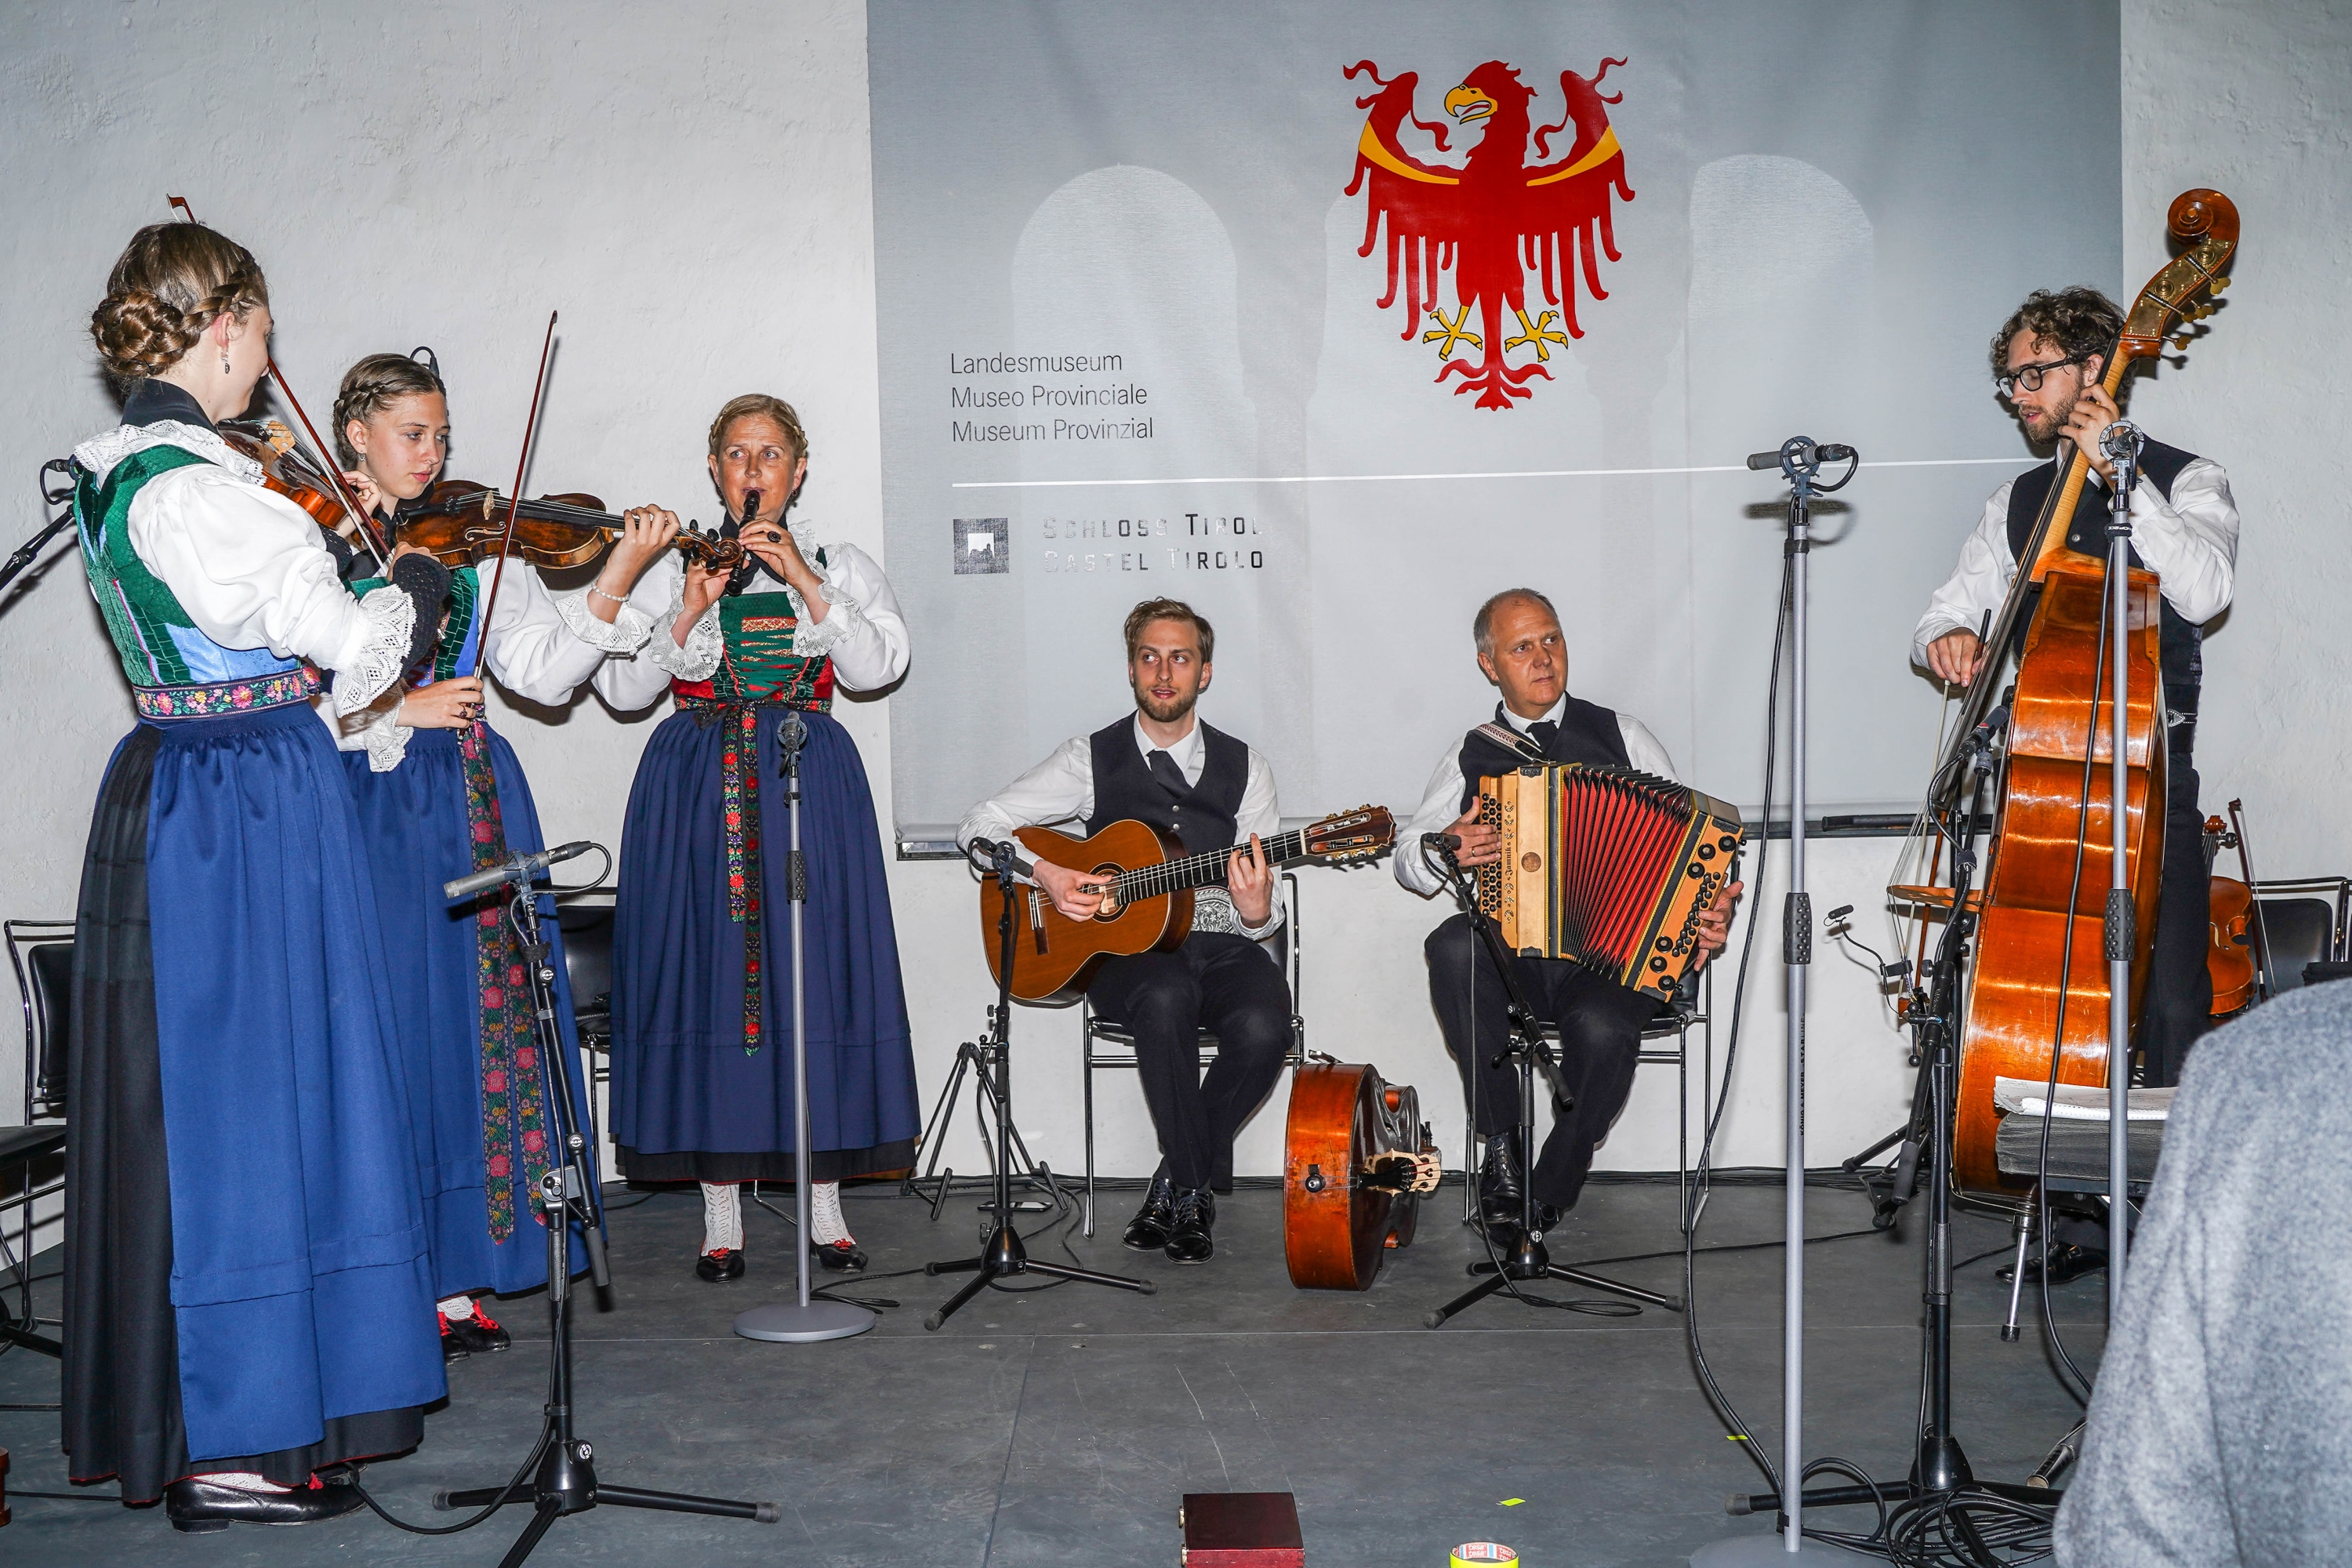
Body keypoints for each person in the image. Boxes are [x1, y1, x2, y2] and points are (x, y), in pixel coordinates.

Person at [64, 222, 454, 1530]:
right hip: (248, 807)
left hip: (185, 786)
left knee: (219, 1107)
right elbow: (350, 650)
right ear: (223, 328)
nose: (268, 365)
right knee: (255, 1114)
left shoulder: (117, 475)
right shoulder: (200, 489)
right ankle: (234, 1439)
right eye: (267, 337)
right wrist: (399, 585)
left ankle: (254, 1417)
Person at [329, 350, 677, 1356]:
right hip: (372, 803)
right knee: (394, 1030)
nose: (434, 455)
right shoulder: (316, 542)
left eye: (442, 434)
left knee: (485, 1032)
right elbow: (285, 695)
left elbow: (541, 676)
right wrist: (392, 704)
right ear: (356, 435)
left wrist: (613, 577)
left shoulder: (477, 548)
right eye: (412, 434)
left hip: (477, 796)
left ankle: (461, 1270)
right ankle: (397, 1271)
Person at [1913, 287, 2239, 1281]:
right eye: (2010, 376)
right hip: (2046, 790)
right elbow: (1938, 614)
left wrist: (2120, 472)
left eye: (2033, 372)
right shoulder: (2015, 503)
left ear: (2095, 373)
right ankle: (2077, 1217)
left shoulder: (2191, 480)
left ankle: (2176, 1221)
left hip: (2153, 784)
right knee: (2058, 1006)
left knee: (2171, 1004)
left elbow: (2206, 590)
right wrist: (1949, 638)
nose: (2017, 393)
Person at [590, 394, 916, 1279]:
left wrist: (806, 578)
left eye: (771, 453)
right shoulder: (672, 568)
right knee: (711, 985)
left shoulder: (840, 563)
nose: (754, 469)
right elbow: (619, 693)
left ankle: (823, 1203)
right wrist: (688, 610)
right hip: (698, 790)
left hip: (809, 784)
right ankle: (721, 1211)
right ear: (715, 470)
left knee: (813, 984)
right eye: (737, 454)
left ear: (797, 470)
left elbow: (882, 664)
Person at [1397, 589, 1736, 1239]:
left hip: (1611, 960)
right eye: (1522, 647)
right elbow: (1409, 857)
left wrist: (1710, 904)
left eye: (1551, 639)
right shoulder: (1470, 752)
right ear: (1488, 665)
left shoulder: (1623, 735)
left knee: (1604, 1029)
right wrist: (1448, 848)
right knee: (1451, 948)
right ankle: (1500, 1155)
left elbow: (1697, 844)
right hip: (1514, 959)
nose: (1543, 657)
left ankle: (1550, 1186)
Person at [960, 598, 1290, 1265]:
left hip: (1224, 943)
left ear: (1206, 673)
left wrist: (1256, 911)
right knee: (1164, 999)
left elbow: (1264, 913)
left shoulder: (1247, 767)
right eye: (1150, 657)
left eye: (1181, 658)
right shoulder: (1090, 758)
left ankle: (1173, 1180)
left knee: (1265, 1026)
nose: (1164, 673)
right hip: (1124, 957)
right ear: (1132, 669)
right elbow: (980, 824)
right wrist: (1045, 874)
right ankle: (1195, 1192)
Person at [2051, 981, 2352, 1566]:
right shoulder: (2276, 1061)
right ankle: (2087, 1233)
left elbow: (2143, 1516)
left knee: (2175, 1001)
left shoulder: (2270, 1062)